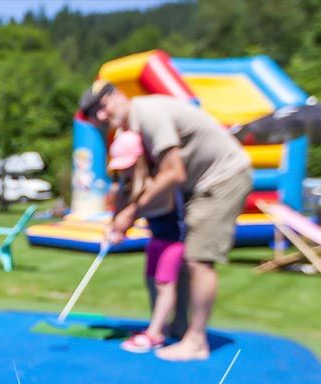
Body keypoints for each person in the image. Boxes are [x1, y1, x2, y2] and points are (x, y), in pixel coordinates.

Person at [79, 80, 252, 361]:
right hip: (199, 186)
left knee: (199, 258)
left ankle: (196, 342)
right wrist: (117, 218)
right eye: (93, 115)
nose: (101, 117)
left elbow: (173, 173)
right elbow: (132, 183)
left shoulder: (148, 114)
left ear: (117, 95)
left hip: (223, 177)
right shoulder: (130, 131)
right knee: (188, 258)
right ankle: (181, 327)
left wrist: (131, 213)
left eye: (101, 107)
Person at [107, 130, 188, 353]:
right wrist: (116, 226)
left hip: (175, 240)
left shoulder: (158, 183)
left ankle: (154, 334)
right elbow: (125, 209)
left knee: (164, 283)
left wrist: (130, 216)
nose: (126, 171)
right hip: (157, 239)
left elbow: (160, 206)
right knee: (151, 281)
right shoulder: (133, 184)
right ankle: (158, 326)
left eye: (129, 165)